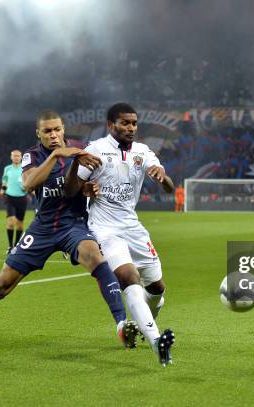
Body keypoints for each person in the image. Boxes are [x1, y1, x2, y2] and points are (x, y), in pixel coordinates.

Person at [0, 110, 136, 356]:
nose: (53, 135)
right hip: (43, 228)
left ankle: (122, 325)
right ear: (39, 134)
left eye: (57, 129)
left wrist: (90, 187)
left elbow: (95, 180)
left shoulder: (82, 151)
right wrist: (56, 155)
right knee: (2, 284)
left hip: (73, 225)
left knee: (96, 258)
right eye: (47, 131)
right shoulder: (32, 156)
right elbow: (28, 183)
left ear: (64, 129)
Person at [66, 103, 176, 367]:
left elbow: (170, 189)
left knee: (157, 288)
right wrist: (81, 184)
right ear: (110, 125)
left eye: (134, 123)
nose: (131, 128)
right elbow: (71, 190)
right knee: (129, 277)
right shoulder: (95, 150)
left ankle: (140, 325)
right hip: (104, 228)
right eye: (125, 123)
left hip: (133, 228)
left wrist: (162, 177)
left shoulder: (142, 151)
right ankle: (156, 340)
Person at [0, 149, 29, 253]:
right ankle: (10, 246)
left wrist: (27, 187)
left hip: (22, 198)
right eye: (14, 156)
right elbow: (5, 180)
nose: (16, 157)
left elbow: (28, 181)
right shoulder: (7, 168)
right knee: (11, 222)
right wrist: (3, 189)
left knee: (20, 224)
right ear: (11, 157)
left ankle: (16, 245)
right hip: (10, 197)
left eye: (18, 156)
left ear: (21, 157)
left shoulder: (24, 169)